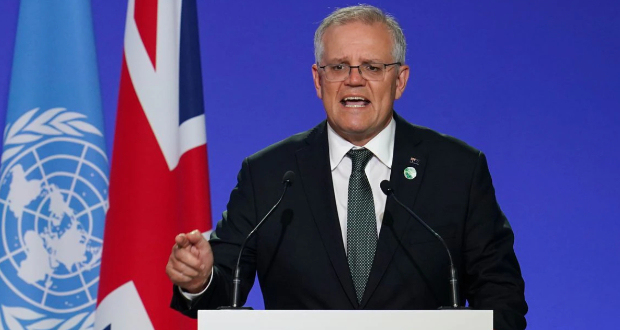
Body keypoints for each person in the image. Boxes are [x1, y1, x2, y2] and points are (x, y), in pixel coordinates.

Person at [166, 5, 527, 330]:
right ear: (317, 79)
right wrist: (199, 280)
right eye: (338, 66)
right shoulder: (269, 175)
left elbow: (501, 295)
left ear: (399, 80)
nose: (354, 79)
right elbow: (223, 288)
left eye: (372, 67)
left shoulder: (457, 170)